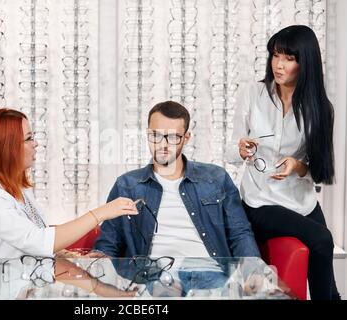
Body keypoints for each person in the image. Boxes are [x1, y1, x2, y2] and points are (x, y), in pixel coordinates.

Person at [93, 101, 261, 296]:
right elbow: (107, 244)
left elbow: (239, 233)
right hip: (154, 276)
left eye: (172, 137)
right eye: (155, 136)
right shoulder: (127, 185)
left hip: (209, 273)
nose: (163, 145)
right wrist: (100, 277)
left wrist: (253, 273)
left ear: (186, 137)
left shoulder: (216, 178)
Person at [226, 25, 340, 300]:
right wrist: (241, 150)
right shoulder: (253, 94)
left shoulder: (320, 108)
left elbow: (319, 170)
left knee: (325, 268)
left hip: (300, 201)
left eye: (289, 58)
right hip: (261, 201)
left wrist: (297, 166)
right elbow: (230, 153)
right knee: (323, 239)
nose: (278, 64)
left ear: (305, 63)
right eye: (276, 55)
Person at [0, 108, 138, 261]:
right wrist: (101, 213)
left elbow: (29, 244)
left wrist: (72, 257)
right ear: (6, 148)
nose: (35, 143)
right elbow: (37, 241)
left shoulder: (20, 191)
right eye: (29, 138)